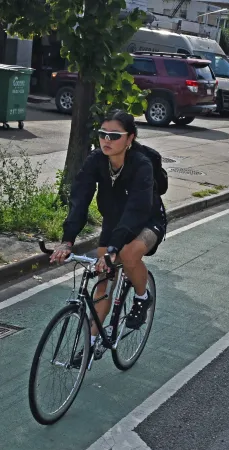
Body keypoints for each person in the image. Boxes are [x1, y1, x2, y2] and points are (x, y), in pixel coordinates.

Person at [51, 109, 166, 360]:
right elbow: (80, 199)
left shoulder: (142, 165)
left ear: (130, 139)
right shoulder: (96, 160)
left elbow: (137, 207)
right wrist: (67, 240)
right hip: (115, 223)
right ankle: (92, 342)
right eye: (103, 134)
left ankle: (141, 297)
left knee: (128, 253)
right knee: (104, 278)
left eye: (115, 136)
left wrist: (113, 248)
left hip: (147, 219)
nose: (107, 140)